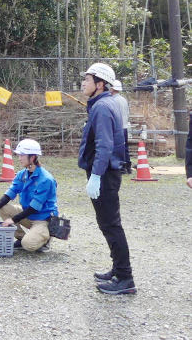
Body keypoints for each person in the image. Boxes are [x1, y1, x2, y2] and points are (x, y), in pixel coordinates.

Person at [79, 62, 136, 295]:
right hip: (107, 172)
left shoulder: (102, 107)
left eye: (87, 79)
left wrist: (95, 175)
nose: (83, 83)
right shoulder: (105, 103)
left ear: (100, 84)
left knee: (111, 225)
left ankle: (125, 278)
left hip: (104, 174)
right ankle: (117, 269)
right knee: (107, 224)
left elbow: (105, 145)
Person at [0, 138, 57, 252]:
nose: (19, 158)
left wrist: (13, 219)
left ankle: (45, 237)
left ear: (32, 157)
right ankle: (21, 238)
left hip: (43, 219)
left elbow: (34, 208)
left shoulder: (46, 180)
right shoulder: (22, 174)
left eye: (22, 155)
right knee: (3, 208)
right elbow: (9, 194)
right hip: (28, 214)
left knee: (29, 245)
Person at [109, 79, 132, 173]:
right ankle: (128, 166)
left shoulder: (112, 101)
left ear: (112, 89)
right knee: (125, 147)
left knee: (117, 148)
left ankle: (121, 167)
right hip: (125, 127)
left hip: (117, 128)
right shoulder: (123, 100)